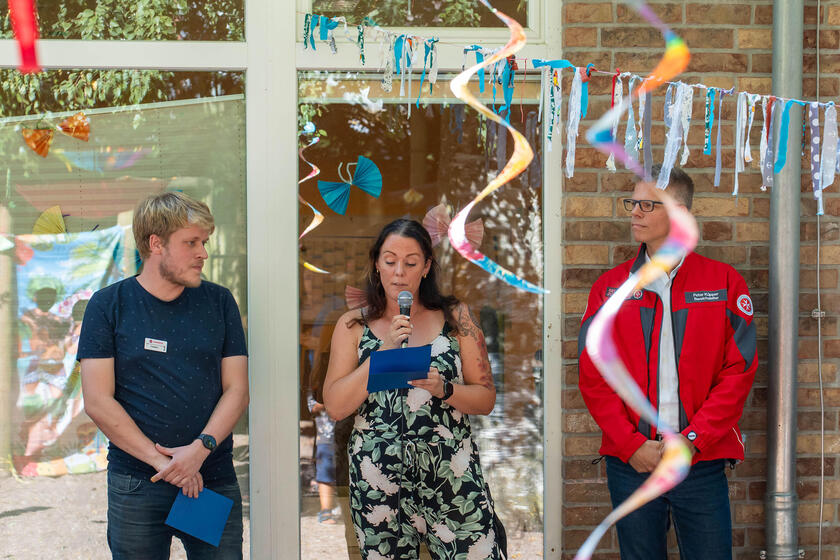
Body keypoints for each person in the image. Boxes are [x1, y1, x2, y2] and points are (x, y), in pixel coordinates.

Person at [577, 165, 757, 560]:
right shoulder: (609, 289)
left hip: (700, 461)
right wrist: (631, 445)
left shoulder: (724, 283)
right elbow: (593, 375)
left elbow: (738, 373)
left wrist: (692, 441)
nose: (634, 212)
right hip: (632, 463)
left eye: (647, 205)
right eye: (633, 203)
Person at [77, 191, 249, 559]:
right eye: (191, 242)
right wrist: (167, 464)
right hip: (139, 483)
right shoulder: (108, 305)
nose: (203, 253)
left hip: (208, 480)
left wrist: (199, 451)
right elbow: (97, 400)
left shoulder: (219, 302)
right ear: (156, 244)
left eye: (204, 242)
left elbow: (237, 389)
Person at [323, 218, 502, 560]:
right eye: (390, 261)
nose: (399, 273)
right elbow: (336, 406)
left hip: (452, 475)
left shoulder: (457, 317)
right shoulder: (352, 324)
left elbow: (486, 398)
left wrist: (445, 388)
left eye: (411, 262)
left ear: (427, 267)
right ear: (377, 264)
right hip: (379, 479)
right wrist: (384, 351)